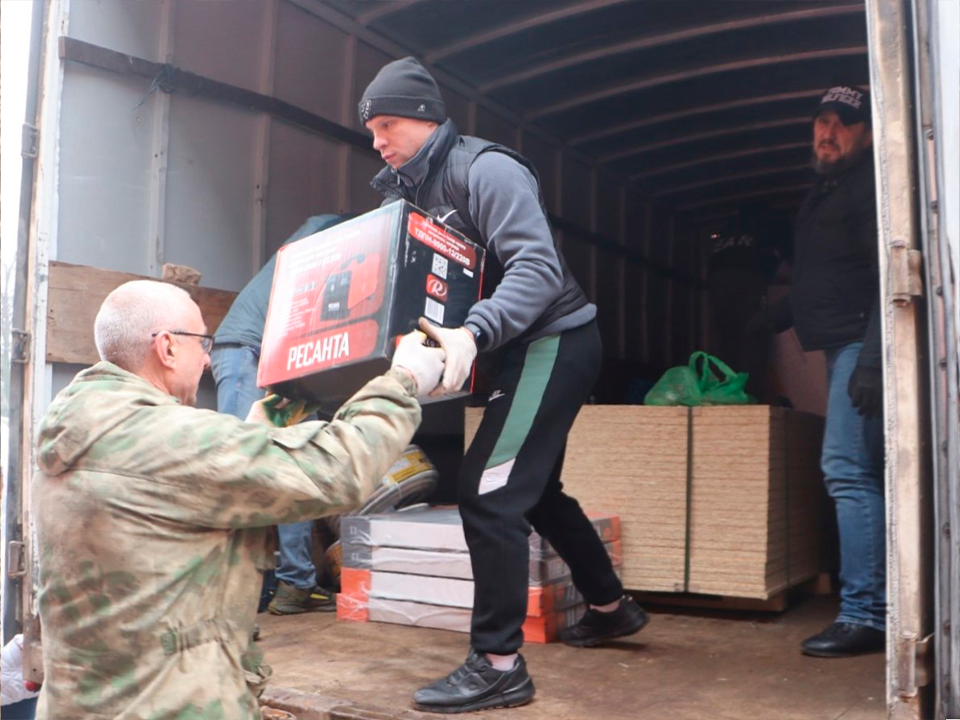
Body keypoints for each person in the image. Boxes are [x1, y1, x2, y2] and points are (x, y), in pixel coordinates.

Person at [359, 56, 647, 713]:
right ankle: (611, 607)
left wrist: (471, 334)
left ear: (426, 119)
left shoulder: (484, 169)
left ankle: (497, 665)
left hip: (554, 340)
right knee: (535, 490)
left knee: (487, 489)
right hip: (505, 354)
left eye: (387, 123)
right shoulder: (402, 198)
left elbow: (537, 269)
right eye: (370, 129)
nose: (376, 139)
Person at [31, 279, 444, 719]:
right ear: (167, 348)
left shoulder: (76, 433)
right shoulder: (175, 442)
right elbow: (337, 469)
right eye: (202, 341)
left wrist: (252, 436)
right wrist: (405, 380)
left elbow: (175, 496)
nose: (209, 359)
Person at [759, 85, 885, 657]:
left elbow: (887, 275)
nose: (827, 133)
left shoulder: (868, 190)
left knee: (846, 469)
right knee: (855, 471)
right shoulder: (824, 191)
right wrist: (770, 317)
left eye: (841, 124)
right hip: (844, 343)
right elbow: (821, 278)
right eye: (820, 122)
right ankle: (870, 607)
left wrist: (875, 360)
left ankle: (867, 613)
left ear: (865, 133)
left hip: (863, 342)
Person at [212, 214, 349, 615]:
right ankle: (235, 591)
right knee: (244, 467)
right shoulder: (320, 238)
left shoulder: (325, 265)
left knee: (294, 467)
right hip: (247, 352)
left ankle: (295, 584)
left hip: (280, 362)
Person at [706, 202, 786, 403]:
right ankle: (750, 394)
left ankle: (724, 390)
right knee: (754, 333)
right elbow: (791, 254)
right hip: (748, 276)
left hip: (717, 279)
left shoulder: (729, 228)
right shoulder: (771, 223)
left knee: (725, 337)